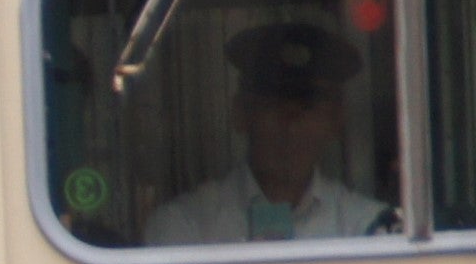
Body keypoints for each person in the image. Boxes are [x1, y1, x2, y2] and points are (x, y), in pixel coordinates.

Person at [141, 20, 396, 246]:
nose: (290, 126)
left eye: (306, 109)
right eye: (274, 107)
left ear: (336, 120)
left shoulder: (368, 227)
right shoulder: (186, 227)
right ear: (241, 113)